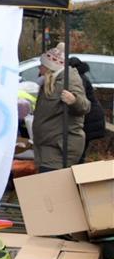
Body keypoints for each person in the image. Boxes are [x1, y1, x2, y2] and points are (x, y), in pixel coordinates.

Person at [32, 43, 90, 173]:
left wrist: (74, 101)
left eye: (42, 65)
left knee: (51, 187)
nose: (39, 67)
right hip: (49, 146)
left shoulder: (69, 80)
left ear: (49, 67)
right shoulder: (50, 81)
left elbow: (85, 106)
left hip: (60, 148)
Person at [68, 57, 106, 163]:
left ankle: (80, 172)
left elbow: (80, 101)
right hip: (93, 117)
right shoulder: (81, 76)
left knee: (80, 152)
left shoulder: (78, 79)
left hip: (90, 119)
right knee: (81, 150)